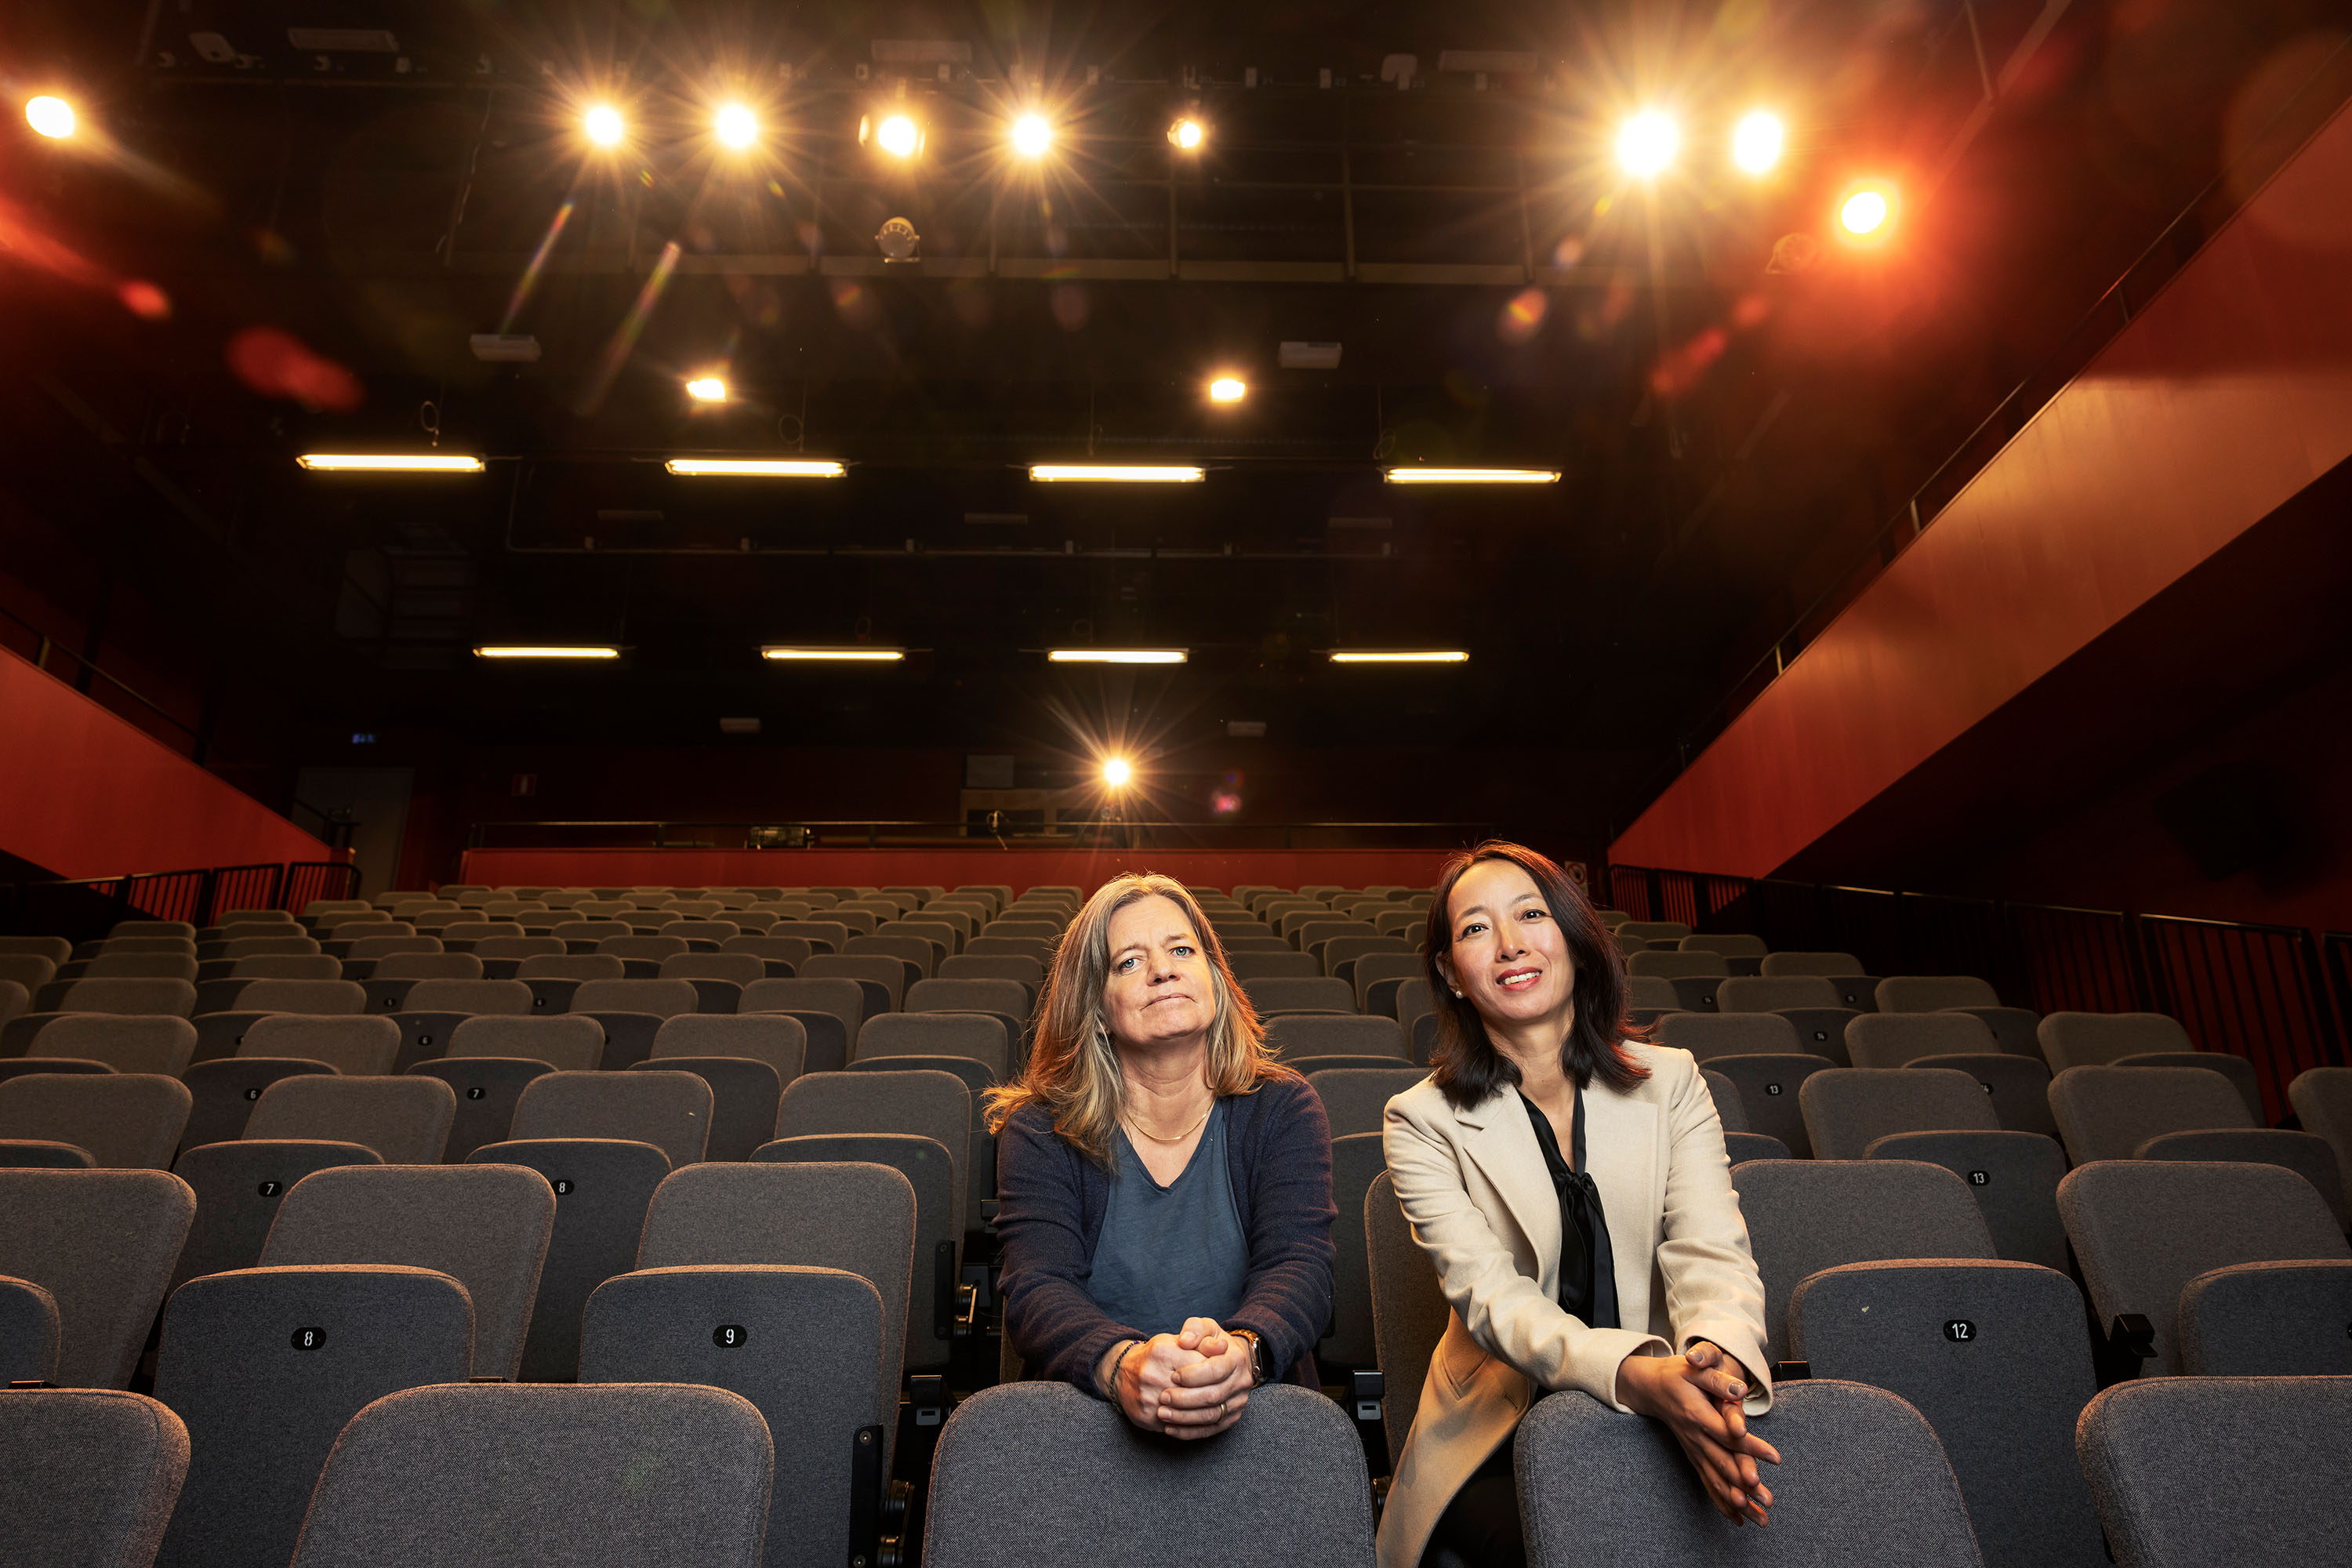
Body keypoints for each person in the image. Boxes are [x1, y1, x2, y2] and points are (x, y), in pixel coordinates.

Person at [1377, 843, 1778, 1568]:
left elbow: (1712, 1251)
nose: (1509, 944)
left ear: (1573, 938)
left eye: (1531, 914)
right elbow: (1493, 1301)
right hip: (1502, 1431)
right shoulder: (1421, 1119)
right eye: (1475, 929)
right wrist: (1635, 1376)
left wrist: (1712, 1366)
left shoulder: (1672, 1081)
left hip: (1670, 1396)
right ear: (1452, 974)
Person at [987, 873, 1336, 1437]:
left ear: (1214, 979)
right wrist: (1122, 1366)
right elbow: (1040, 1288)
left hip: (1259, 1418)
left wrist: (1240, 1355)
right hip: (1087, 1426)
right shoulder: (1040, 1129)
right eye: (1129, 962)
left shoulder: (1283, 1107)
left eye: (1181, 950)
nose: (1163, 970)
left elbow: (1300, 1266)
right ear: (1095, 1009)